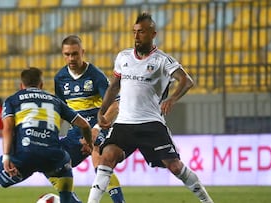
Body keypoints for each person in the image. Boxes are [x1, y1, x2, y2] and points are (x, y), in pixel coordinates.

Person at [87, 12, 214, 203]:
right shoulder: (123, 57)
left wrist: (172, 99)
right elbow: (114, 86)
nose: (136, 36)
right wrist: (102, 111)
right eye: (134, 32)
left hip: (151, 123)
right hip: (124, 123)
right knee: (107, 157)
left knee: (175, 167)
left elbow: (186, 81)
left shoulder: (163, 60)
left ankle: (207, 201)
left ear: (153, 33)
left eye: (141, 32)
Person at [0, 67, 93, 203]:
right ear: (41, 85)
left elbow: (8, 128)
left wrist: (6, 157)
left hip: (23, 155)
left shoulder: (12, 100)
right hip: (52, 155)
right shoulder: (56, 101)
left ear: (21, 86)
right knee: (65, 181)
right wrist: (89, 143)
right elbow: (84, 124)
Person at [53, 35, 125, 203]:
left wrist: (96, 129)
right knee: (53, 163)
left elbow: (116, 104)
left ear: (82, 52)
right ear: (63, 54)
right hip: (75, 132)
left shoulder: (95, 75)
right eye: (67, 54)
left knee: (98, 155)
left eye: (75, 54)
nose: (71, 58)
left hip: (97, 127)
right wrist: (53, 133)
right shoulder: (59, 78)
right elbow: (61, 111)